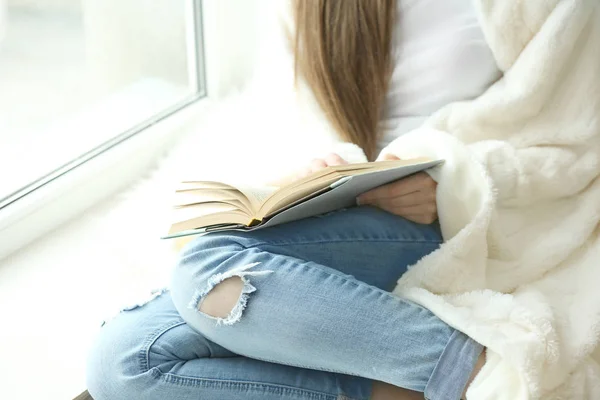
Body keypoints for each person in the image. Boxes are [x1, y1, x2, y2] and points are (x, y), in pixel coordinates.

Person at [87, 1, 600, 399]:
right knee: (125, 361)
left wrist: (457, 184)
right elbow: (296, 110)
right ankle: (431, 386)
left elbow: (574, 134)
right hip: (349, 205)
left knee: (208, 271)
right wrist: (322, 167)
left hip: (460, 215)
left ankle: (489, 379)